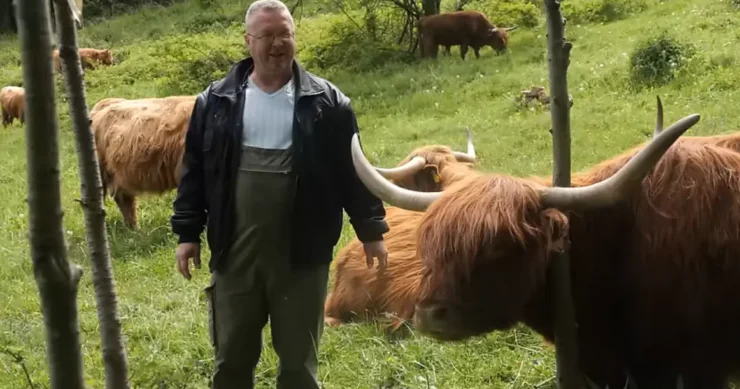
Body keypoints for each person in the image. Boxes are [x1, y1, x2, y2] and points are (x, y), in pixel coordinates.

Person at [169, 0, 390, 387]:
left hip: (302, 258)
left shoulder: (328, 104)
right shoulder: (216, 103)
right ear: (248, 41)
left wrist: (371, 230)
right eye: (267, 35)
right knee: (232, 360)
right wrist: (187, 234)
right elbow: (195, 173)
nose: (276, 44)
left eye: (284, 34)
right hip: (234, 256)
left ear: (294, 38)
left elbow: (352, 171)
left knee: (299, 365)